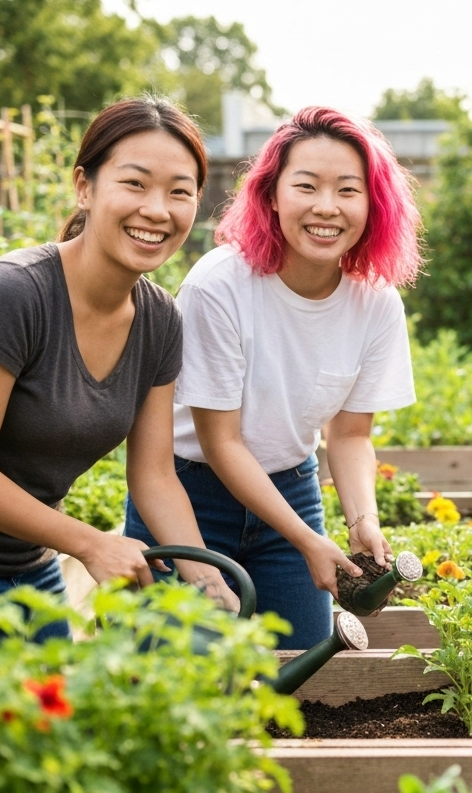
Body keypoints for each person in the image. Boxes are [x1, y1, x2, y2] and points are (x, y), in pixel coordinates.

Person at [0, 97, 239, 664]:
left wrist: (207, 581)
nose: (157, 210)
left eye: (179, 191)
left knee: (50, 737)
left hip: (25, 562)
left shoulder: (161, 319)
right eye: (135, 184)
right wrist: (90, 543)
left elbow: (155, 474)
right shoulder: (13, 293)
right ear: (84, 187)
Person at [124, 107, 422, 649]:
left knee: (303, 668)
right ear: (272, 195)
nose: (326, 207)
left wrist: (361, 521)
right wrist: (309, 541)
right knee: (180, 673)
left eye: (348, 190)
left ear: (373, 204)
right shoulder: (221, 285)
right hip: (190, 492)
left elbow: (351, 434)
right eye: (306, 186)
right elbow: (222, 442)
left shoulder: (376, 305)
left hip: (291, 487)